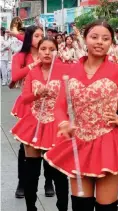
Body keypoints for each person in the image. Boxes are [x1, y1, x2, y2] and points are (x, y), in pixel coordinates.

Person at [44, 20, 118, 211]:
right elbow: (58, 107)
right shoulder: (70, 71)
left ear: (111, 43)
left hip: (109, 143)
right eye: (94, 37)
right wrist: (63, 123)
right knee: (80, 206)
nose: (99, 42)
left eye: (106, 38)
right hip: (78, 142)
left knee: (106, 207)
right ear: (85, 39)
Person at [11, 37, 69, 211]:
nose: (47, 52)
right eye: (43, 48)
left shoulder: (64, 71)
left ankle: (62, 208)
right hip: (34, 123)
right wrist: (37, 93)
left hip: (56, 125)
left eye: (51, 49)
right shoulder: (33, 72)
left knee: (59, 173)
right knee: (32, 172)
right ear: (38, 51)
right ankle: (31, 208)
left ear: (57, 52)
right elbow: (24, 98)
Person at [10, 25, 55, 198]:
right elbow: (14, 76)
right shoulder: (21, 56)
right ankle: (23, 182)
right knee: (26, 147)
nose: (40, 38)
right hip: (29, 104)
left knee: (49, 145)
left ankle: (49, 182)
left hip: (50, 106)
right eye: (36, 36)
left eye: (42, 35)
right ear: (29, 38)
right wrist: (34, 65)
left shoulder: (51, 55)